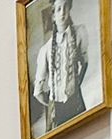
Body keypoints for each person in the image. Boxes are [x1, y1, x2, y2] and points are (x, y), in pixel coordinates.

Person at [31, 0, 90, 131]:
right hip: (57, 111)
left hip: (76, 103)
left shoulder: (79, 33)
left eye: (65, 7)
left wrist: (76, 85)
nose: (62, 12)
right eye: (58, 9)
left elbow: (85, 62)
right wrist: (52, 103)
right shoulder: (45, 50)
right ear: (53, 15)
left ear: (69, 10)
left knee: (85, 132)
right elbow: (38, 92)